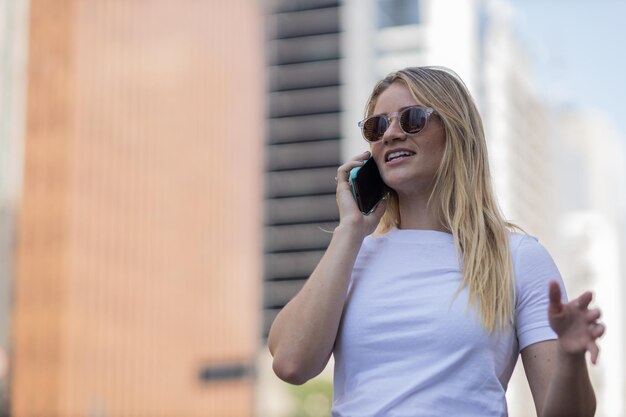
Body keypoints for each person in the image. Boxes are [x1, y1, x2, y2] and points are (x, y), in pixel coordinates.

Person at [268, 66, 605, 416]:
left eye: (412, 119)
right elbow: (291, 364)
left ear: (457, 132)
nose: (391, 134)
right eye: (377, 126)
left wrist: (570, 357)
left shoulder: (518, 257)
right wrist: (350, 230)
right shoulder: (351, 253)